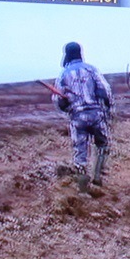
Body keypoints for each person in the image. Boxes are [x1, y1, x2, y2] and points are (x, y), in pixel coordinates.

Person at [53, 42, 112, 191]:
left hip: (78, 117)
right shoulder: (91, 70)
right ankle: (97, 175)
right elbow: (105, 90)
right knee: (103, 145)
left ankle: (82, 186)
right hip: (97, 114)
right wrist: (107, 107)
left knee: (80, 151)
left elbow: (57, 99)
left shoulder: (63, 74)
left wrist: (67, 107)